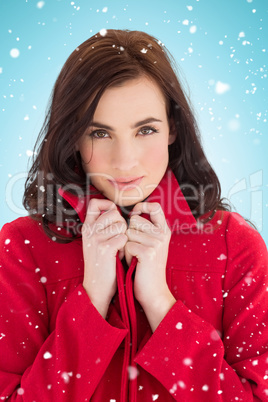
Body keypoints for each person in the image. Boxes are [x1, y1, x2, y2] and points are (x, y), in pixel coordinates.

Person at [0, 29, 267, 402]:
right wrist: (92, 299)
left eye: (145, 129)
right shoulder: (22, 249)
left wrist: (159, 301)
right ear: (72, 137)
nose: (125, 161)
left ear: (173, 128)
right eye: (99, 133)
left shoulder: (235, 246)